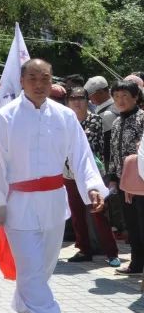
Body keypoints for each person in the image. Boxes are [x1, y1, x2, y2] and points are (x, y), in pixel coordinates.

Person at [0, 59, 107, 313]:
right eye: (33, 78)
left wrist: (92, 187)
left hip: (53, 201)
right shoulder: (5, 118)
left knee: (45, 266)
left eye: (45, 78)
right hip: (18, 204)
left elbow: (81, 155)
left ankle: (25, 304)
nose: (39, 84)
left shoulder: (64, 116)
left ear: (52, 82)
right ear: (21, 81)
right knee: (30, 266)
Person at [63, 87, 121, 266]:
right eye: (73, 98)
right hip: (68, 173)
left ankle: (112, 253)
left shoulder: (95, 119)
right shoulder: (64, 120)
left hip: (89, 173)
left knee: (98, 212)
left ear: (87, 100)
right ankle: (83, 249)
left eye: (81, 98)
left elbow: (92, 145)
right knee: (77, 213)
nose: (77, 101)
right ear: (68, 101)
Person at [108, 80, 144, 277]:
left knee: (141, 222)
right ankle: (136, 263)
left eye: (125, 96)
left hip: (141, 182)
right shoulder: (116, 122)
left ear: (135, 97)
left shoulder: (142, 119)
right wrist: (113, 177)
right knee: (131, 224)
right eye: (117, 96)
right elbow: (113, 153)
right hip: (124, 182)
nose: (120, 101)